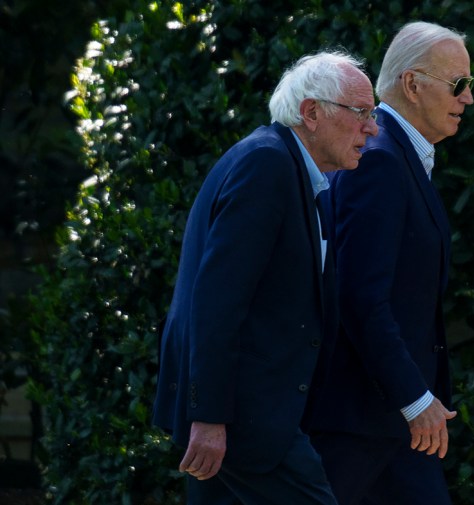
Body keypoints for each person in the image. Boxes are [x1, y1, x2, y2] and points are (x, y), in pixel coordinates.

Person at [152, 50, 378, 505]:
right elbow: (217, 300)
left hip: (250, 417)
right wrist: (210, 417)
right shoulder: (267, 165)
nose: (372, 128)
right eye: (361, 114)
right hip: (244, 421)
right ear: (311, 113)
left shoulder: (293, 170)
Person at [305, 21, 474, 504]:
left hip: (392, 424)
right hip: (363, 419)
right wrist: (415, 398)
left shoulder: (396, 156)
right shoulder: (379, 160)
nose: (467, 98)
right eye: (458, 85)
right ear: (413, 84)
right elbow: (360, 296)